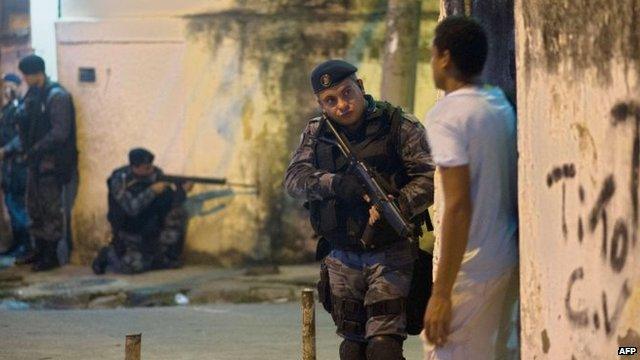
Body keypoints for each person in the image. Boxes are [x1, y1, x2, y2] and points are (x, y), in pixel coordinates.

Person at [285, 59, 434, 360]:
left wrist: (399, 202)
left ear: (361, 87)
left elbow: (431, 176)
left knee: (384, 348)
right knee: (353, 349)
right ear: (321, 104)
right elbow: (294, 180)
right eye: (331, 100)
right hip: (341, 254)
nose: (342, 105)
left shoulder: (399, 124)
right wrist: (336, 185)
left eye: (347, 93)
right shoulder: (316, 132)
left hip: (390, 251)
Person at [422, 16, 519, 360]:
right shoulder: (498, 103)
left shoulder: (448, 114)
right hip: (505, 255)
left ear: (445, 58)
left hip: (472, 266)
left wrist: (442, 293)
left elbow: (459, 205)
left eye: (433, 54)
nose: (432, 61)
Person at [16, 54, 78, 271]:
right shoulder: (34, 95)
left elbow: (60, 132)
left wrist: (35, 149)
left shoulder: (56, 96)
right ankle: (39, 249)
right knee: (34, 207)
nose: (24, 79)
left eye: (26, 75)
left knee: (50, 209)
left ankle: (50, 255)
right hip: (36, 162)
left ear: (36, 74)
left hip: (51, 163)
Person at [92, 148, 192, 275]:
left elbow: (170, 203)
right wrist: (152, 191)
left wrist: (182, 192)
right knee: (132, 267)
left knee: (179, 213)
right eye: (146, 168)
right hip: (128, 231)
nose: (150, 171)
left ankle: (166, 256)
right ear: (134, 167)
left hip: (150, 230)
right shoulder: (119, 180)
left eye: (151, 166)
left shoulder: (156, 175)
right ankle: (108, 254)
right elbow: (131, 208)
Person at [0, 73, 30, 259]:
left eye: (11, 86)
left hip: (19, 164)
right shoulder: (7, 110)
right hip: (8, 166)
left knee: (19, 206)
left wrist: (6, 150)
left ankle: (27, 244)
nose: (8, 90)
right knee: (12, 205)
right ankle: (19, 243)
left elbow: (23, 137)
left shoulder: (21, 108)